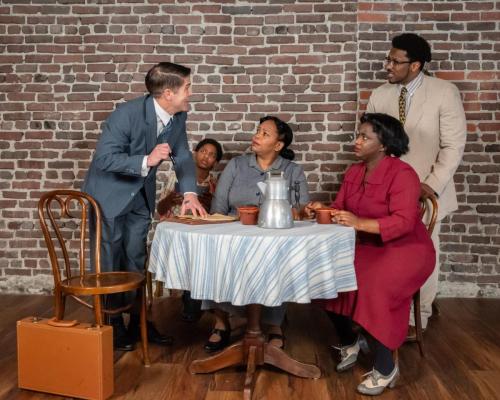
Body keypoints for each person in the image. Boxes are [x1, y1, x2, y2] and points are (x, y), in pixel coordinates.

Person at [305, 113, 435, 395]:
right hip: (366, 246)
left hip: (406, 250)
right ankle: (351, 340)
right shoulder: (354, 172)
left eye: (365, 137)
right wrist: (321, 209)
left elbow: (403, 222)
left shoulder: (403, 174)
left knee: (370, 287)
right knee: (324, 279)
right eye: (358, 135)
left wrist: (358, 222)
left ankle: (386, 367)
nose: (357, 141)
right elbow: (340, 207)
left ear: (385, 144)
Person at [82, 62, 207, 351]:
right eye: (188, 87)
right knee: (110, 263)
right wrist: (146, 161)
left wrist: (189, 192)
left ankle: (139, 322)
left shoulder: (178, 115)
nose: (191, 92)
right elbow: (104, 159)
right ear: (168, 93)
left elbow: (183, 156)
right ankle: (112, 325)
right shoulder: (125, 115)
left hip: (140, 197)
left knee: (136, 260)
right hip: (109, 197)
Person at [366, 33, 466, 337]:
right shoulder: (380, 94)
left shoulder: (444, 92)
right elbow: (370, 141)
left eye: (395, 61)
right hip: (385, 190)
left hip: (426, 191)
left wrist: (430, 186)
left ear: (416, 65)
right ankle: (383, 311)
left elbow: (453, 145)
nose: (388, 66)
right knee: (383, 251)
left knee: (421, 252)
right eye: (388, 59)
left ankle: (416, 317)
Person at [204, 115, 310, 353]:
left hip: (274, 238)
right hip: (234, 235)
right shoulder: (237, 165)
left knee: (275, 260)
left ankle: (274, 324)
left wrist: (290, 211)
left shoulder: (292, 171)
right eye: (258, 131)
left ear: (278, 145)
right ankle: (221, 322)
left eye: (265, 134)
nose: (256, 136)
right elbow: (218, 207)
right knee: (215, 257)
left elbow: (304, 208)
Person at [157, 138, 223, 322]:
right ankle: (192, 302)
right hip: (176, 230)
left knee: (203, 258)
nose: (206, 157)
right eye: (203, 151)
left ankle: (197, 302)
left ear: (216, 163)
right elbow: (160, 210)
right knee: (189, 257)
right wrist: (171, 199)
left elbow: (217, 213)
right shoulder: (178, 177)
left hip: (200, 232)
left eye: (212, 155)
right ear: (195, 153)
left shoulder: (214, 184)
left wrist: (209, 202)